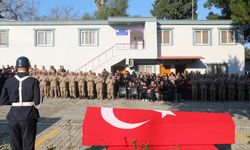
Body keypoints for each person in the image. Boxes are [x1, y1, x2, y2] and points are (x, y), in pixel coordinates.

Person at [0, 56, 41, 150]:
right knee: (28, 146)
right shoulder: (34, 81)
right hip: (29, 115)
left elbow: (3, 100)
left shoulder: (9, 81)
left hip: (13, 116)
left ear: (16, 67)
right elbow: (38, 101)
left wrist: (15, 101)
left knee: (15, 146)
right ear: (28, 67)